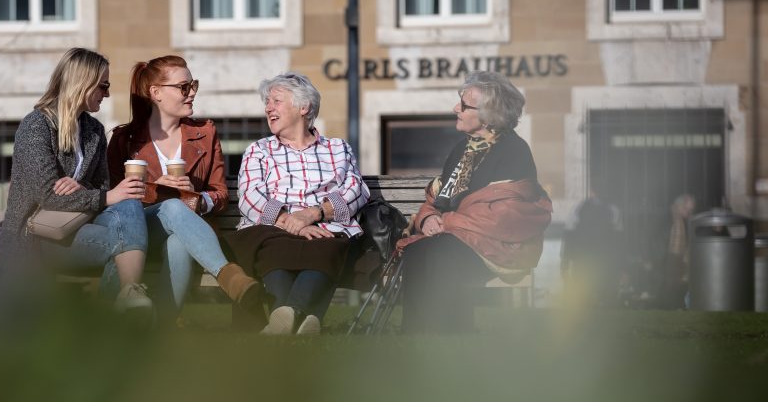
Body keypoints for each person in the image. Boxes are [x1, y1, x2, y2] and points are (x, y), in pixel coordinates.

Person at [106, 55, 264, 323]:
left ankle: (160, 327)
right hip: (138, 234)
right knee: (170, 205)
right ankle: (229, 276)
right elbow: (115, 202)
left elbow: (220, 193)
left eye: (193, 85)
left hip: (188, 234)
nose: (191, 93)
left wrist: (196, 198)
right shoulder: (125, 139)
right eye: (183, 87)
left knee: (178, 242)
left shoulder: (205, 132)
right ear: (156, 93)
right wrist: (155, 190)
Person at [0, 47, 151, 312]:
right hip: (35, 236)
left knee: (130, 205)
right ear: (82, 83)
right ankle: (118, 316)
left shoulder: (94, 130)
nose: (107, 94)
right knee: (125, 246)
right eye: (103, 86)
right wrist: (106, 197)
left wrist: (83, 187)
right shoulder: (36, 126)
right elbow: (48, 195)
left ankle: (122, 305)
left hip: (78, 225)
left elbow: (101, 184)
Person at [398, 71, 552, 332]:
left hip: (497, 246)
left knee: (440, 254)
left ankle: (447, 333)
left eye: (464, 105)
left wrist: (446, 223)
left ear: (489, 114)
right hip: (453, 238)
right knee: (418, 251)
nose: (455, 108)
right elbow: (436, 200)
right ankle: (415, 334)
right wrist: (428, 218)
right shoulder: (462, 149)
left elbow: (503, 217)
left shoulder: (514, 151)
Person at [228, 72, 370, 335]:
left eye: (276, 101)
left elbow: (357, 190)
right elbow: (249, 196)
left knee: (327, 244)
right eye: (267, 102)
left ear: (304, 107)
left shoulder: (337, 149)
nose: (268, 108)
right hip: (272, 229)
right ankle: (302, 316)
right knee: (276, 247)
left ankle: (286, 316)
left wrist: (314, 214)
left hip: (325, 229)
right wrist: (291, 222)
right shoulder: (259, 150)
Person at [660, 194, 696, 309]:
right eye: (686, 208)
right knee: (671, 289)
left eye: (691, 210)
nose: (688, 212)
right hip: (670, 258)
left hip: (679, 259)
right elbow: (661, 238)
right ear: (679, 206)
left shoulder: (685, 220)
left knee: (678, 289)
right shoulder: (670, 217)